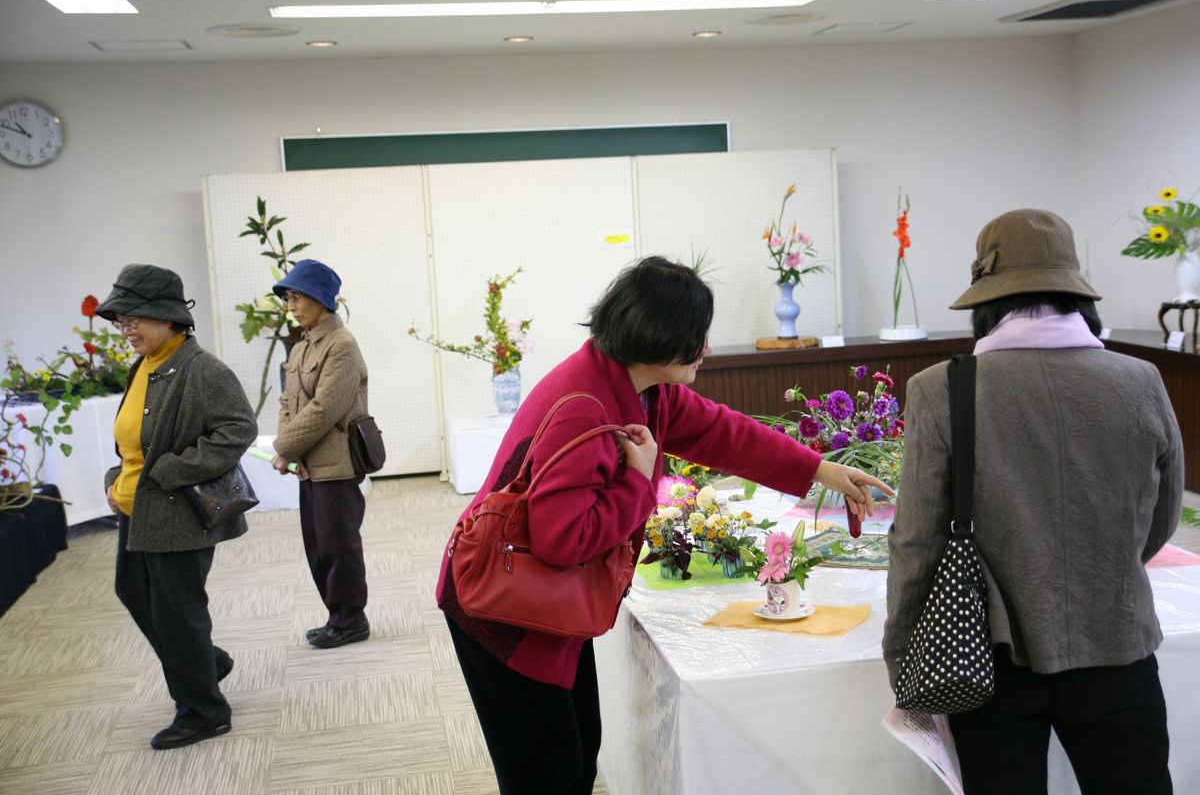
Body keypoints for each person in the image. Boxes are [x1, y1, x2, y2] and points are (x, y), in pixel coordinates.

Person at [436, 255, 893, 795]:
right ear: (660, 336)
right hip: (503, 611)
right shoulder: (586, 406)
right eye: (699, 336)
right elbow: (564, 540)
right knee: (547, 775)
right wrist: (638, 477)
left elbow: (728, 433)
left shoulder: (641, 388)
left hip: (542, 600)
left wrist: (821, 470)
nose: (709, 348)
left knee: (576, 759)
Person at [883, 209, 1183, 795]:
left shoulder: (941, 388)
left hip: (990, 660)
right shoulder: (1142, 379)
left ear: (985, 302)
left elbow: (916, 542)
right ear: (1078, 296)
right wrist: (1103, 566)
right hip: (1118, 646)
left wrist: (903, 658)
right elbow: (1162, 516)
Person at [98, 264, 257, 750]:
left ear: (167, 318)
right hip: (135, 510)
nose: (126, 331)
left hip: (174, 515)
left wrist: (171, 470)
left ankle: (204, 712)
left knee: (176, 612)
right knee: (135, 593)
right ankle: (206, 664)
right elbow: (133, 438)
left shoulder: (203, 369)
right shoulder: (144, 365)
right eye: (121, 322)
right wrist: (115, 479)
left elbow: (238, 429)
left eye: (133, 320)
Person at [271, 259, 372, 649]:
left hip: (336, 463)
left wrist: (283, 448)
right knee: (317, 545)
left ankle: (351, 619)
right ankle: (337, 616)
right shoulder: (302, 345)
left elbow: (325, 408)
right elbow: (287, 401)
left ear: (321, 299)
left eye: (298, 297)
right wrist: (289, 451)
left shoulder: (341, 345)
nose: (291, 305)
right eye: (288, 298)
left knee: (337, 545)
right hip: (308, 464)